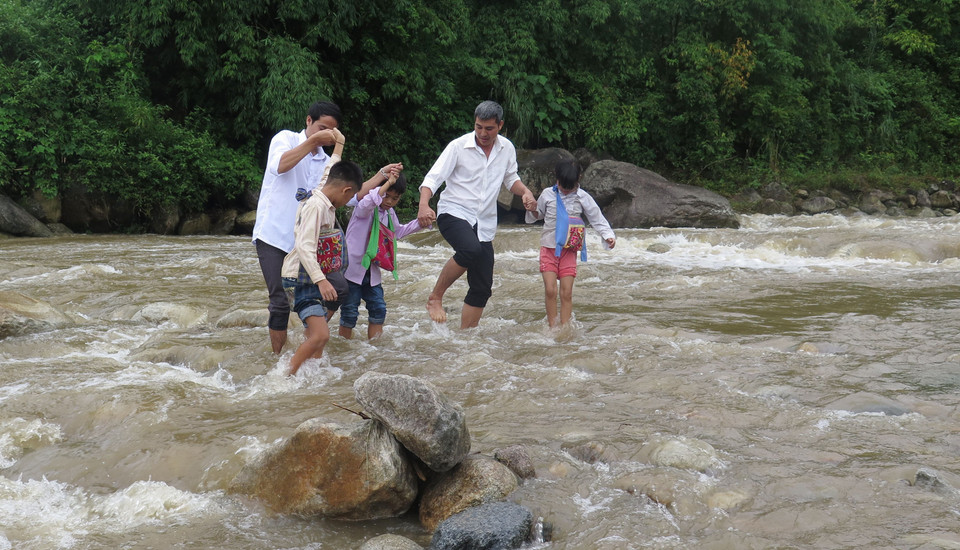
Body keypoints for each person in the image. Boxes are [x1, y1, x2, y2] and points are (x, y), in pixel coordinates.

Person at [252, 100, 400, 354]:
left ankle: (309, 339)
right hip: (275, 234)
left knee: (339, 289)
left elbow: (350, 194)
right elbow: (279, 165)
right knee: (279, 303)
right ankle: (277, 358)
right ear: (308, 121)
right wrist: (313, 141)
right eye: (322, 128)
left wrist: (380, 176)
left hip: (312, 239)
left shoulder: (326, 160)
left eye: (331, 132)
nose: (326, 136)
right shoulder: (286, 139)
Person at [417, 100, 537, 329]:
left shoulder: (506, 148)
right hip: (453, 212)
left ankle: (466, 338)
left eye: (489, 128)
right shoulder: (458, 146)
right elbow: (432, 179)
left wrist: (525, 192)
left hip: (484, 221)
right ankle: (435, 297)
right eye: (478, 127)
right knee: (470, 249)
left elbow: (511, 178)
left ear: (500, 125)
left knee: (482, 287)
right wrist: (424, 205)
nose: (482, 133)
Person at [280, 159, 364, 376]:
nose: (346, 202)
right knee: (321, 335)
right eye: (349, 197)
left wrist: (339, 145)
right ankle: (284, 376)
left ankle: (310, 376)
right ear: (346, 190)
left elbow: (329, 169)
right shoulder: (316, 206)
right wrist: (322, 280)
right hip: (300, 279)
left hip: (311, 277)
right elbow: (304, 246)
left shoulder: (323, 197)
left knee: (316, 336)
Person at [526, 158, 616, 328]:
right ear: (556, 178)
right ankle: (552, 327)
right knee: (550, 290)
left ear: (578, 179)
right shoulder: (547, 194)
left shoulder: (583, 197)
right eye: (563, 187)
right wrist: (532, 209)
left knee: (566, 292)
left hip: (569, 250)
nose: (566, 191)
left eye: (570, 187)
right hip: (549, 248)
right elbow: (538, 214)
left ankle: (565, 328)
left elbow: (596, 218)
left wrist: (608, 235)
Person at [339, 172, 429, 340]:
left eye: (395, 198)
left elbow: (398, 232)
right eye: (386, 195)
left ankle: (375, 349)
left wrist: (421, 223)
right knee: (349, 312)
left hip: (372, 271)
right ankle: (343, 347)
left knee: (378, 309)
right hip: (352, 269)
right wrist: (386, 183)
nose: (389, 201)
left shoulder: (389, 213)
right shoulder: (365, 207)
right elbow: (368, 203)